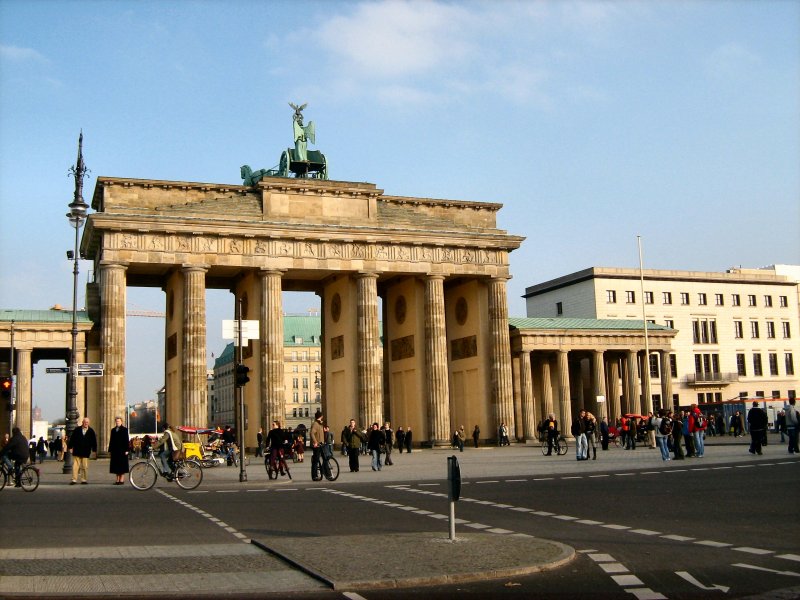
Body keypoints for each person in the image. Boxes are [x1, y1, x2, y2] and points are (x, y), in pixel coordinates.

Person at [68, 417, 98, 485]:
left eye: (87, 422)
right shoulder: (77, 430)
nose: (86, 423)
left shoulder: (91, 431)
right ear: (82, 422)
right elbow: (72, 438)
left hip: (86, 451)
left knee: (84, 466)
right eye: (85, 422)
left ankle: (84, 479)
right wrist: (70, 447)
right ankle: (74, 479)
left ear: (88, 423)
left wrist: (94, 450)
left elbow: (94, 441)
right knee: (75, 466)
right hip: (77, 450)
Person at [108, 416, 130, 485]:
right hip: (115, 450)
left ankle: (122, 479)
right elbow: (111, 441)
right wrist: (110, 450)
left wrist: (127, 450)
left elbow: (126, 440)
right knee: (116, 466)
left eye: (119, 421)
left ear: (121, 422)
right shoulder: (113, 430)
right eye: (116, 421)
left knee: (122, 465)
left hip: (122, 450)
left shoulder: (125, 430)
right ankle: (117, 479)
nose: (117, 422)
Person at [310, 411, 325, 481]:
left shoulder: (320, 424)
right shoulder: (315, 424)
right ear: (321, 416)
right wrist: (315, 442)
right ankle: (314, 476)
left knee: (325, 458)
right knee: (315, 461)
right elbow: (312, 433)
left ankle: (326, 472)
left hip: (321, 444)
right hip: (317, 445)